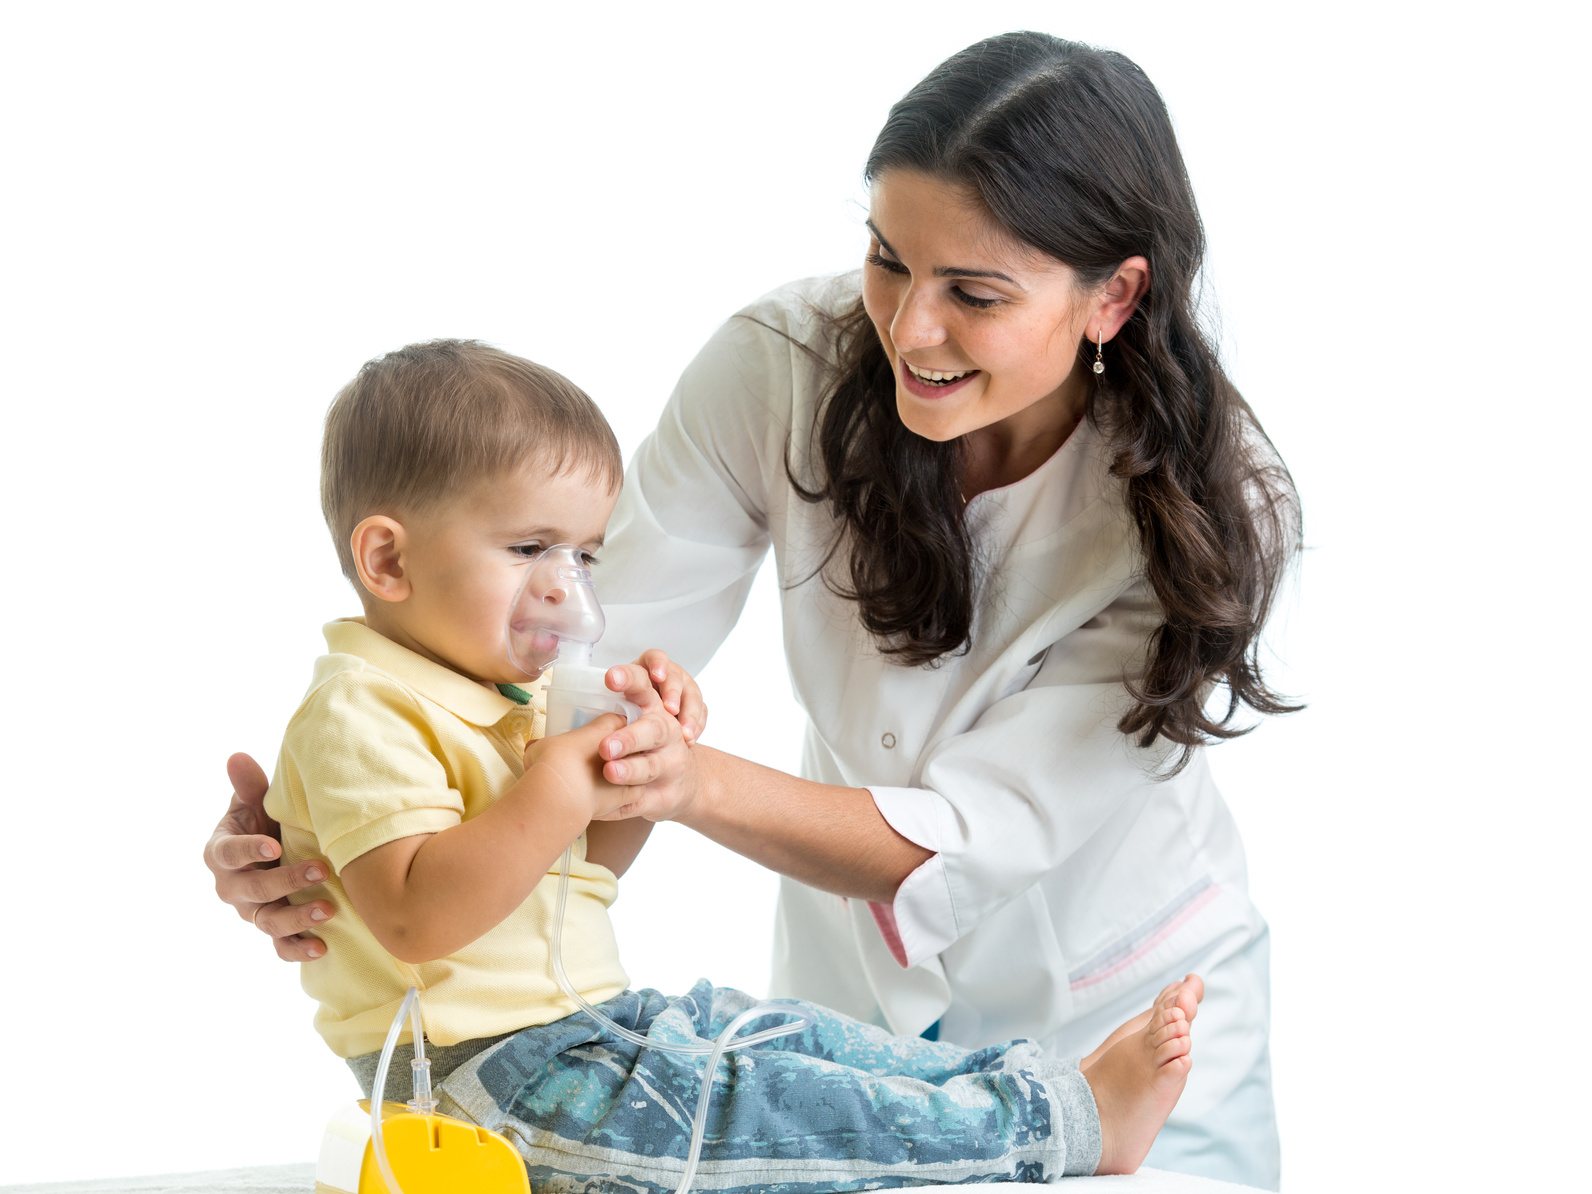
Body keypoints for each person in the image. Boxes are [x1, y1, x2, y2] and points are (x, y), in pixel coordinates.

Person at [207, 33, 1299, 1189]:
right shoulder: (781, 365)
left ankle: (1074, 1117)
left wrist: (677, 777)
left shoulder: (1203, 512)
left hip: (1115, 989)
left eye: (973, 294)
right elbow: (567, 662)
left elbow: (974, 835)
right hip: (845, 987)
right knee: (768, 1081)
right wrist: (350, 832)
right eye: (888, 259)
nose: (907, 328)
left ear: (1113, 296)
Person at [264, 335, 1201, 1190]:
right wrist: (558, 780)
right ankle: (1059, 1129)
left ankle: (1052, 1094)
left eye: (585, 554)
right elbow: (418, 917)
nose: (568, 588)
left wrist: (636, 777)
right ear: (388, 562)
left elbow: (579, 875)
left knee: (786, 1040)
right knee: (774, 1113)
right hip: (480, 1081)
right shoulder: (362, 709)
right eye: (528, 548)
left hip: (589, 1029)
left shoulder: (507, 698)